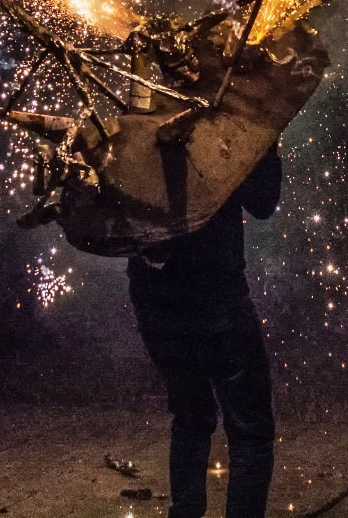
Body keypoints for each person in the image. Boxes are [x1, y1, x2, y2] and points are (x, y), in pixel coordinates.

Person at [127, 145, 282, 518]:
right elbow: (262, 202)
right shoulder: (222, 116)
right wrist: (266, 139)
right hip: (214, 293)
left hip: (154, 294)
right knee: (251, 432)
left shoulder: (142, 105)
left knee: (191, 416)